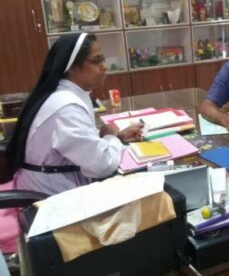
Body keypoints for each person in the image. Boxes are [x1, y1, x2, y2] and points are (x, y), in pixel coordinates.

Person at [7, 33, 143, 196]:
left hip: (51, 184)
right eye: (96, 60)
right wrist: (111, 138)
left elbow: (78, 145)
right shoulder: (66, 108)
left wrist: (116, 137)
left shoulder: (67, 93)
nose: (104, 66)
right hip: (48, 198)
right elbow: (103, 165)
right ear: (72, 67)